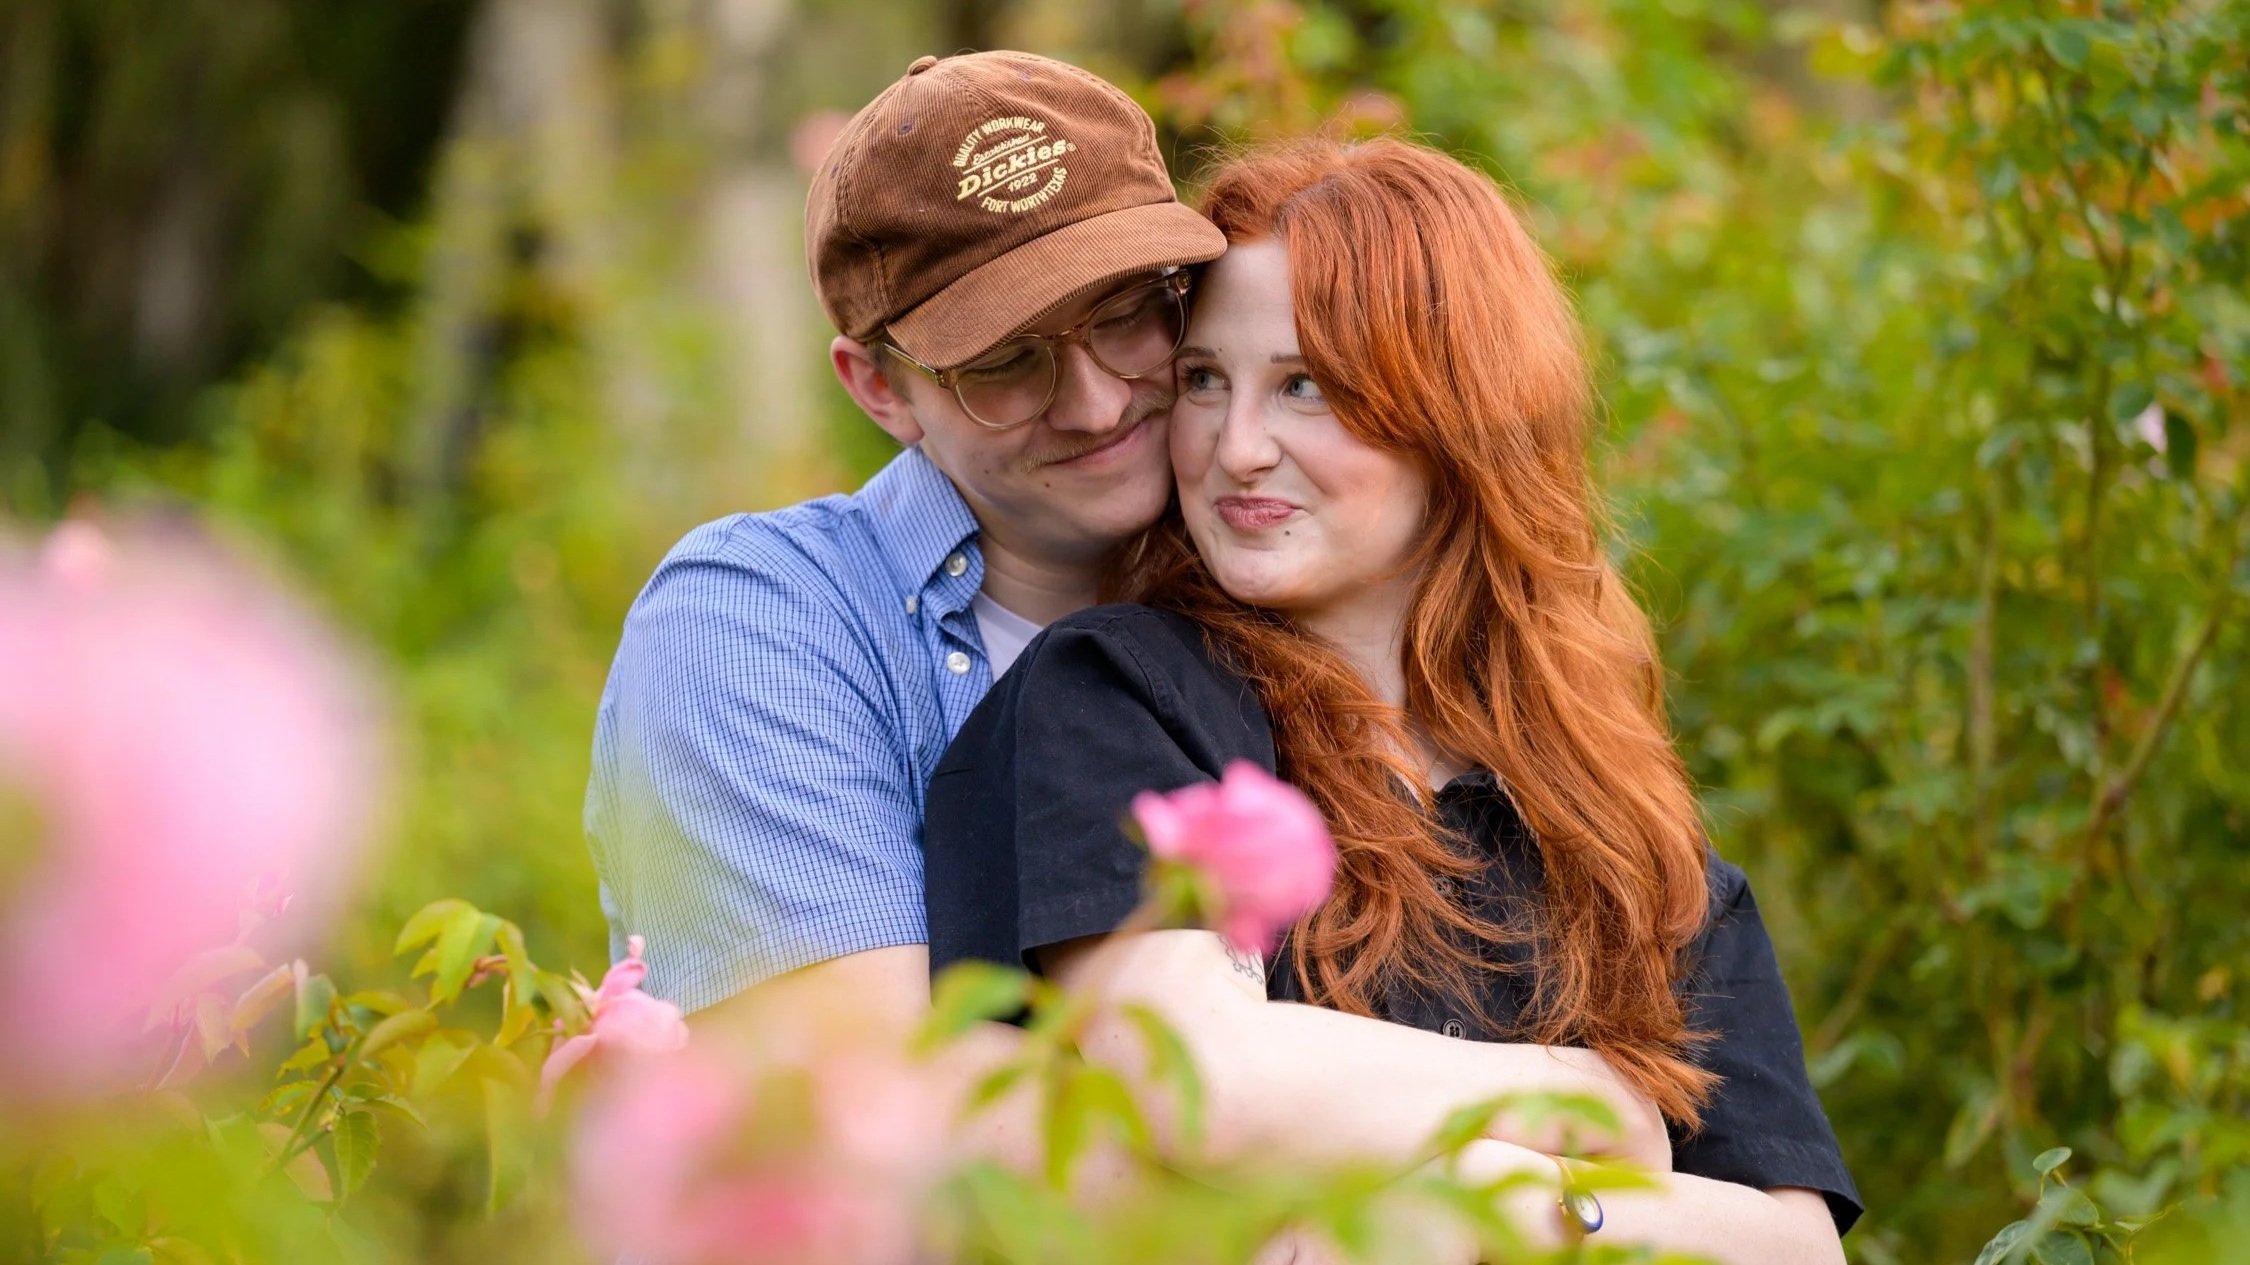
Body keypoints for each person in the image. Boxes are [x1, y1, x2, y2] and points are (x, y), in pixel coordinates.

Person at [586, 51, 1683, 1176]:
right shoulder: (765, 625)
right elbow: (880, 1135)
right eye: (1007, 363)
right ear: (880, 387)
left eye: (1124, 316)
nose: (1098, 400)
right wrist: (1545, 1116)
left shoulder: (1296, 606)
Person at [923, 136, 1861, 1260]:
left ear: (1455, 411)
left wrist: (1514, 1203)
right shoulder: (1124, 695)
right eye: (1205, 380)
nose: (1238, 447)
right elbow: (1201, 1086)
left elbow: (1795, 1242)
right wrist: (1582, 1100)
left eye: (1305, 386)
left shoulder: (1613, 827)